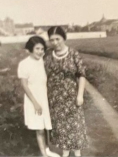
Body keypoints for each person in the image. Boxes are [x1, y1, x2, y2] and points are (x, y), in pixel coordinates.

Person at [44, 26, 88, 157]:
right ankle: (65, 155)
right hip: (54, 98)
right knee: (61, 128)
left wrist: (80, 95)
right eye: (52, 40)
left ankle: (77, 154)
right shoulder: (48, 56)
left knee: (75, 126)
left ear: (64, 38)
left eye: (58, 39)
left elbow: (81, 75)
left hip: (71, 97)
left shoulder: (73, 54)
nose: (55, 42)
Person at [17, 36, 60, 157]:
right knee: (39, 128)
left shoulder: (44, 62)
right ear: (30, 49)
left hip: (44, 97)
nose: (40, 51)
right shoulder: (24, 64)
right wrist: (35, 103)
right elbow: (25, 86)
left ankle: (47, 150)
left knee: (46, 125)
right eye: (37, 49)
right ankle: (43, 154)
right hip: (33, 99)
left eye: (42, 49)